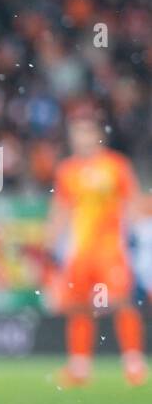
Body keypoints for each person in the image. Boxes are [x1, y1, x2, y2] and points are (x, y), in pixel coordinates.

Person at [50, 114, 147, 387]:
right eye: (77, 134)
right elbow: (61, 209)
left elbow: (132, 200)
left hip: (109, 249)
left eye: (86, 133)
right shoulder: (67, 170)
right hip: (80, 251)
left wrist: (136, 232)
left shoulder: (115, 165)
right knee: (79, 307)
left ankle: (133, 364)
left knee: (120, 302)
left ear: (96, 136)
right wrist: (50, 240)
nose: (81, 139)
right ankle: (79, 368)